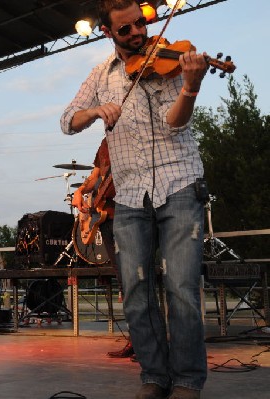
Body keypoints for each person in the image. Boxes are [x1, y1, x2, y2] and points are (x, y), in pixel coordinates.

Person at [60, 1, 209, 398]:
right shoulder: (101, 74)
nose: (138, 35)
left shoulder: (168, 60)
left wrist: (191, 86)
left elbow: (175, 120)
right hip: (128, 194)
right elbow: (67, 121)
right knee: (137, 293)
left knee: (181, 288)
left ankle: (188, 380)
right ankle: (154, 376)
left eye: (140, 25)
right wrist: (94, 111)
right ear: (108, 32)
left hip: (179, 183)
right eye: (125, 30)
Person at [72, 137, 133, 359]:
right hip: (106, 219)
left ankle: (147, 342)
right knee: (123, 280)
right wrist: (80, 190)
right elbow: (95, 176)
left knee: (137, 278)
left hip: (129, 215)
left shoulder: (134, 137)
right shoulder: (106, 143)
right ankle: (137, 339)